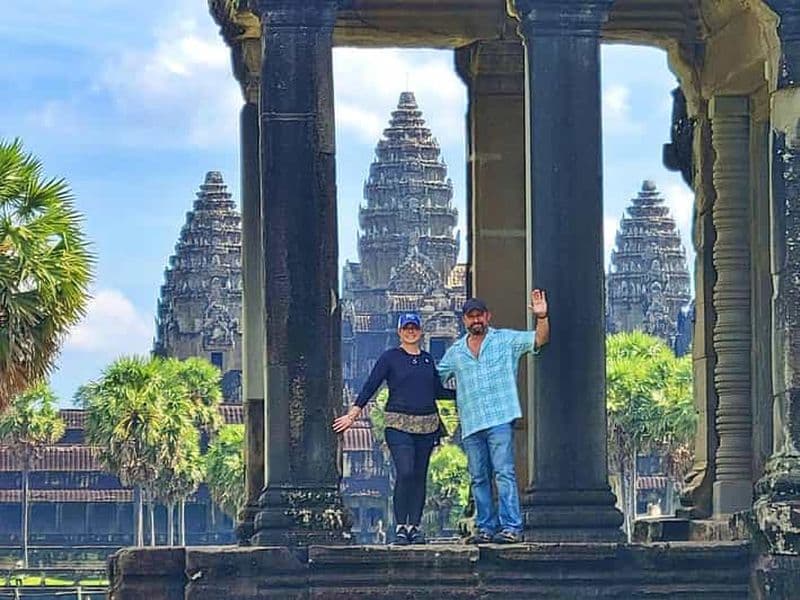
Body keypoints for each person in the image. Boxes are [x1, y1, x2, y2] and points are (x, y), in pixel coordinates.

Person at [333, 312, 455, 545]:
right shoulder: (390, 358)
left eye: (414, 328)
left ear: (420, 331)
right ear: (400, 332)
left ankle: (414, 527)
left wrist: (465, 395)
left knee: (420, 476)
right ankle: (401, 526)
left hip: (427, 426)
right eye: (406, 328)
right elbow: (371, 385)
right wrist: (353, 414)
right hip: (398, 425)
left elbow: (437, 391)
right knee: (406, 472)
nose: (411, 331)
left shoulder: (428, 360)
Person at [438, 290, 549, 544]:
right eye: (470, 317)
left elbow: (540, 340)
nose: (475, 320)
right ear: (464, 320)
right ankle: (486, 527)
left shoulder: (505, 340)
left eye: (479, 315)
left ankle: (511, 526)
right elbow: (435, 379)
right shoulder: (455, 352)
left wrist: (542, 316)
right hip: (471, 422)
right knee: (478, 477)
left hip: (499, 417)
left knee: (504, 472)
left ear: (488, 317)